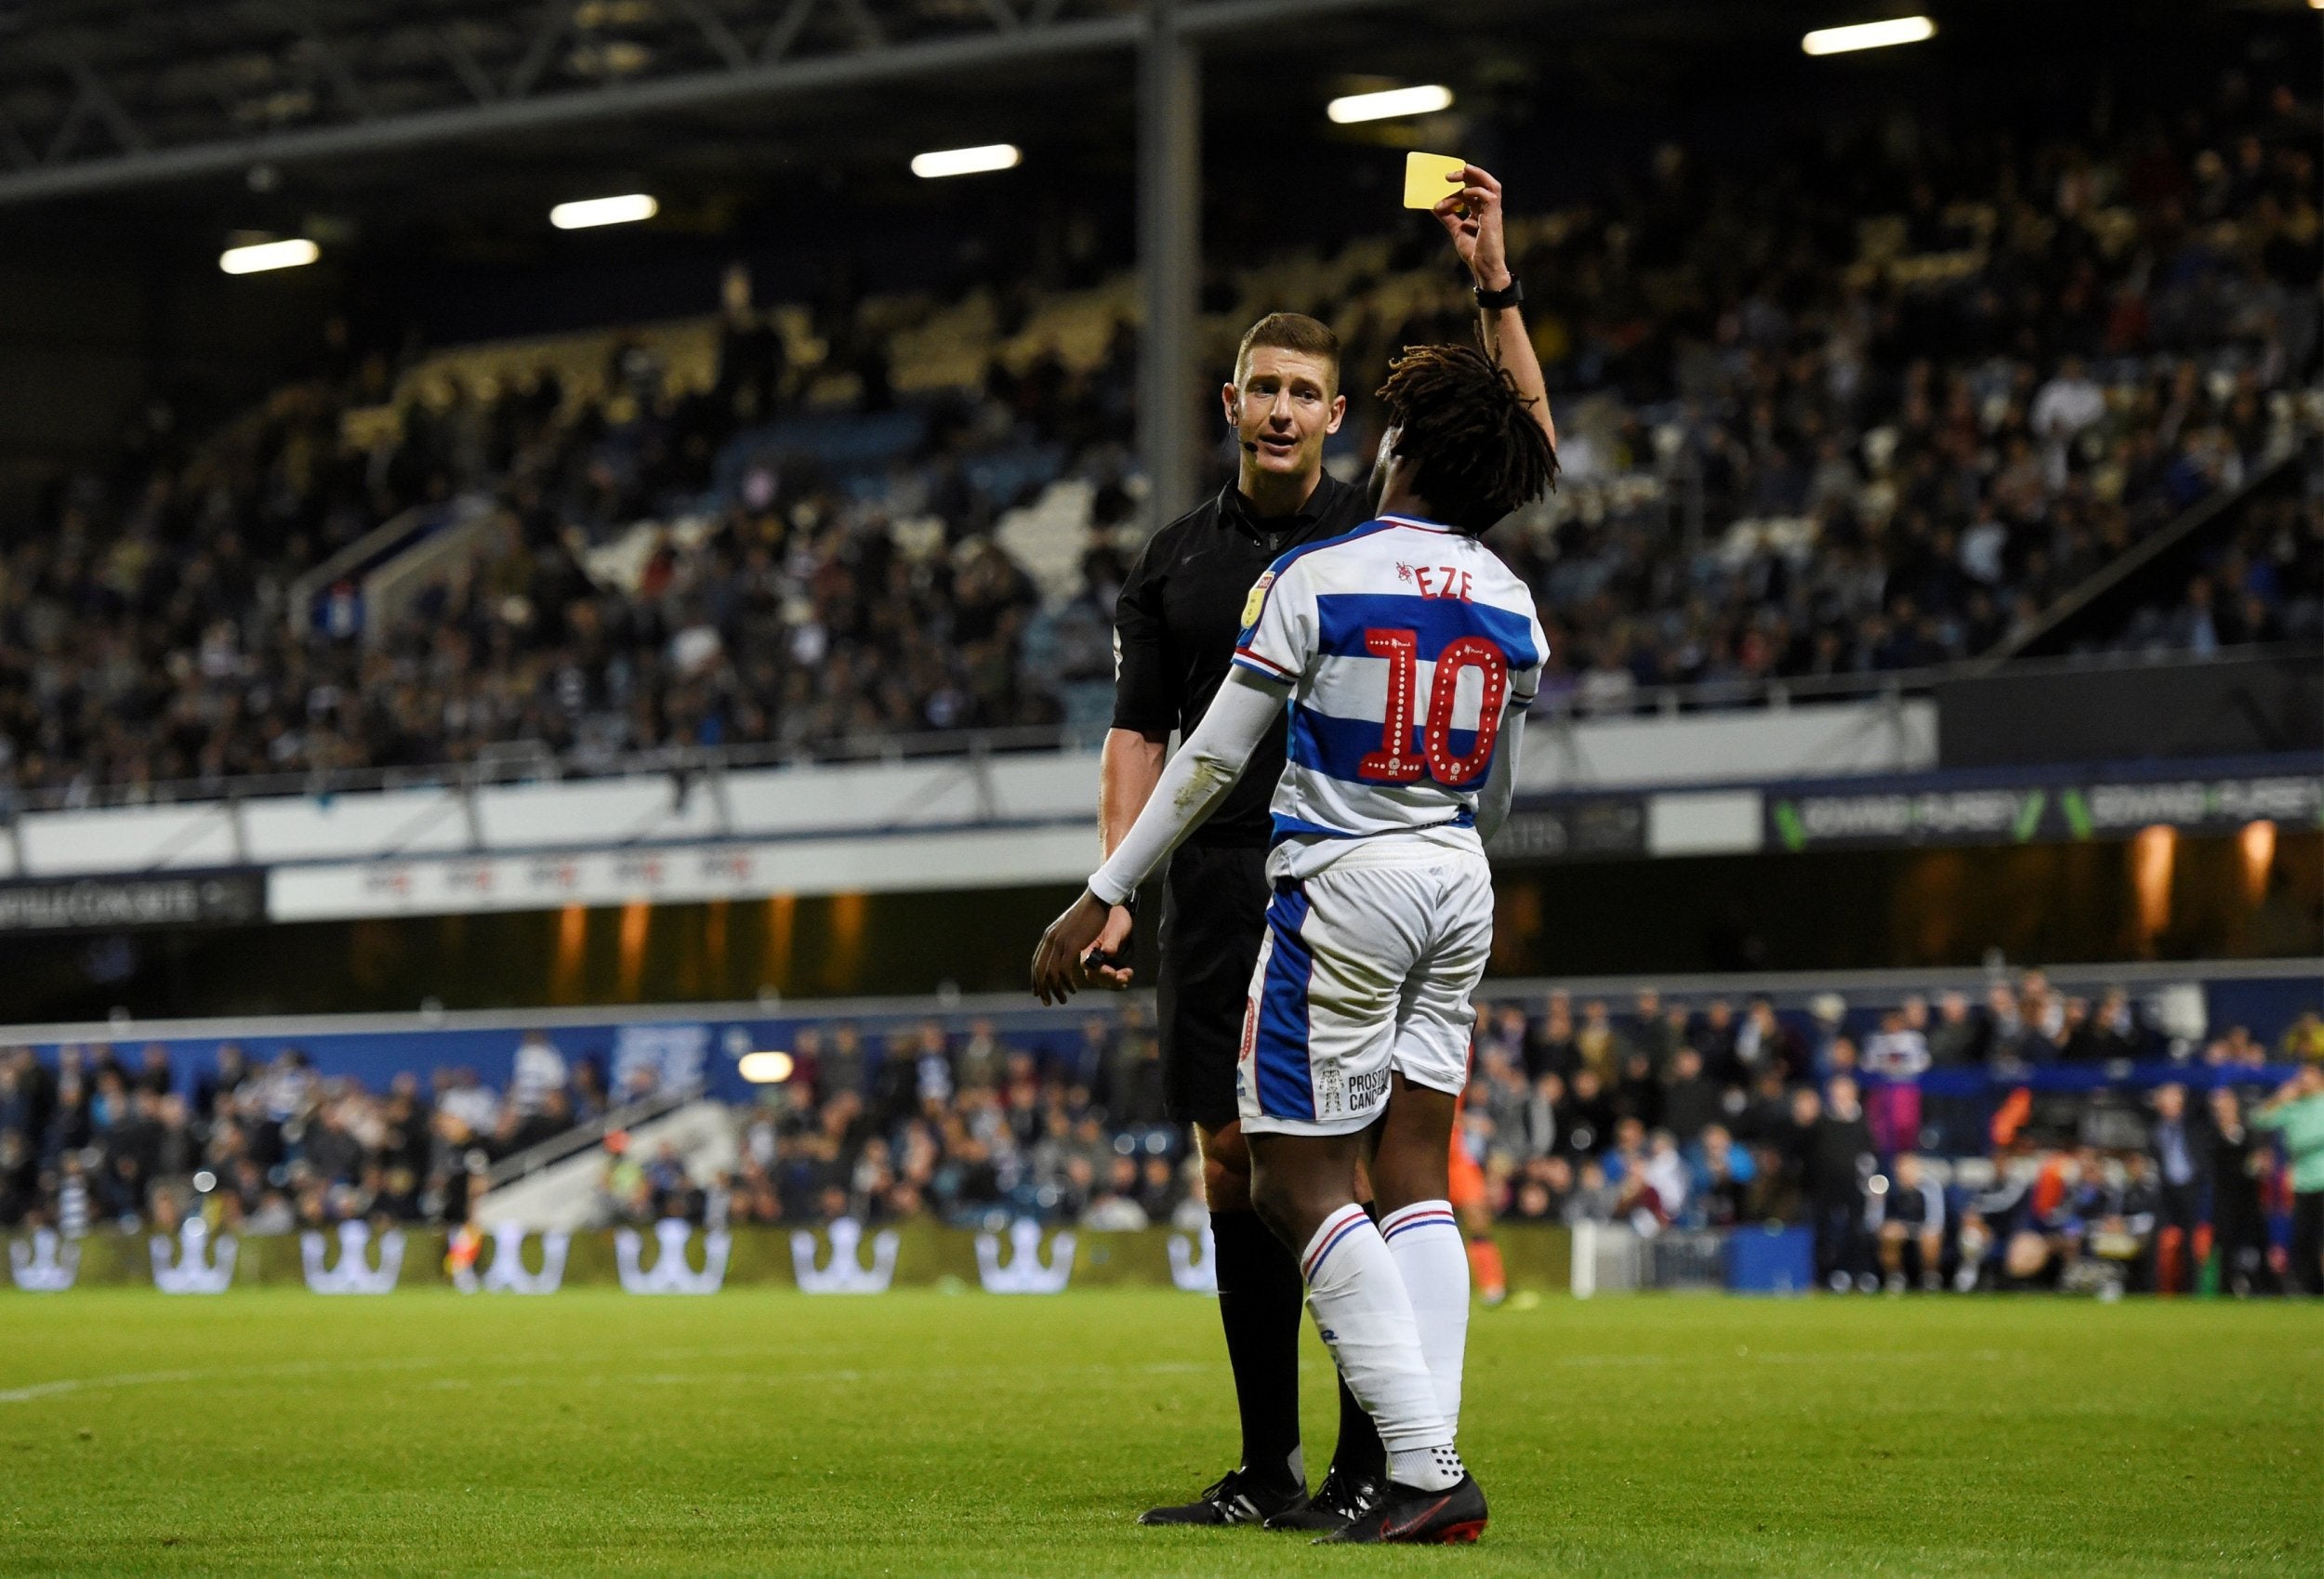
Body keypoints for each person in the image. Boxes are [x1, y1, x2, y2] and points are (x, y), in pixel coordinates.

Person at [1034, 168, 1558, 1542]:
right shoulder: (1482, 589)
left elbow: (1205, 753)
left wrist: (1096, 885)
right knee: (1318, 1169)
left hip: (1328, 880)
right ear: (1235, 404)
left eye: (1309, 393)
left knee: (1304, 1174)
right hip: (1372, 879)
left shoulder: (1335, 561)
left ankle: (1403, 1459)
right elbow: (1139, 732)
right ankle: (1313, 1462)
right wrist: (1130, 885)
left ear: (1347, 423)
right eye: (1257, 385)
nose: (1282, 408)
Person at [2251, 1061, 2324, 1296]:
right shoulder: (2292, 1107)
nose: (2303, 1082)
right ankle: (2308, 1287)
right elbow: (2258, 1119)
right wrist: (2280, 1097)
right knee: (2303, 1239)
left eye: (2308, 1077)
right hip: (2302, 1182)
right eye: (2301, 1078)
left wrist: (2304, 1145)